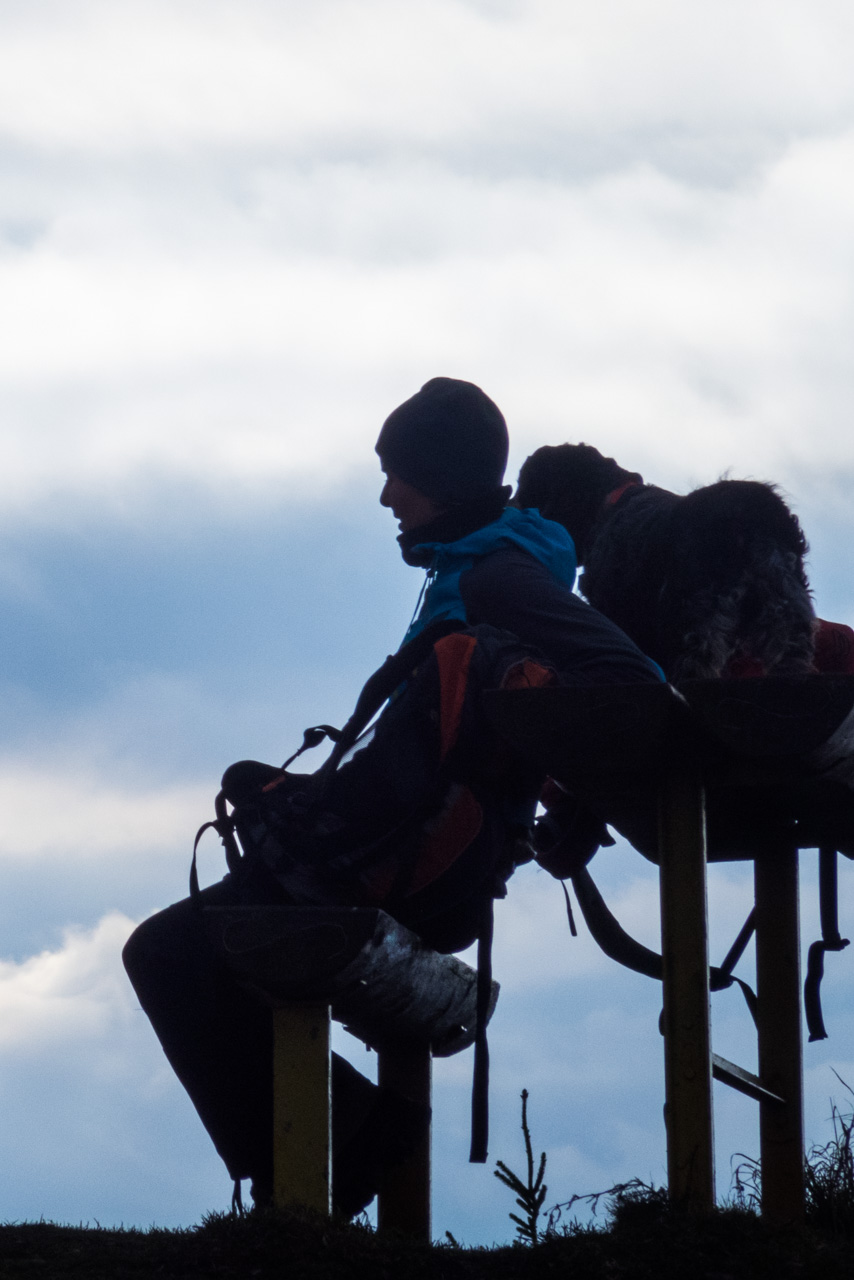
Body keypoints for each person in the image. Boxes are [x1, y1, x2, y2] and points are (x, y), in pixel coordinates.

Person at [121, 378, 660, 1215]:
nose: (385, 495)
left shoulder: (494, 580)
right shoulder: (491, 568)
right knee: (195, 951)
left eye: (398, 473)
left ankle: (332, 1159)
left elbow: (629, 682)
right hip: (435, 861)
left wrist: (578, 809)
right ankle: (327, 1155)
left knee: (167, 954)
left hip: (408, 866)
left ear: (440, 478)